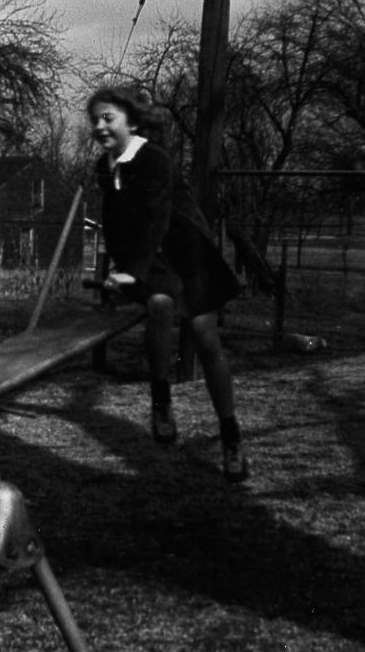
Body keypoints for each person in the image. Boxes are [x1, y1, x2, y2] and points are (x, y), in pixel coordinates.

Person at [87, 86, 248, 483]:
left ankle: (231, 437)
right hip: (150, 258)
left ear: (133, 122)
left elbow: (158, 216)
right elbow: (116, 222)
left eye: (108, 118)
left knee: (204, 335)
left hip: (185, 250)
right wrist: (119, 270)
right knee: (159, 305)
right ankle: (161, 400)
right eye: (95, 120)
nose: (100, 126)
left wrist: (135, 269)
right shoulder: (104, 167)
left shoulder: (153, 158)